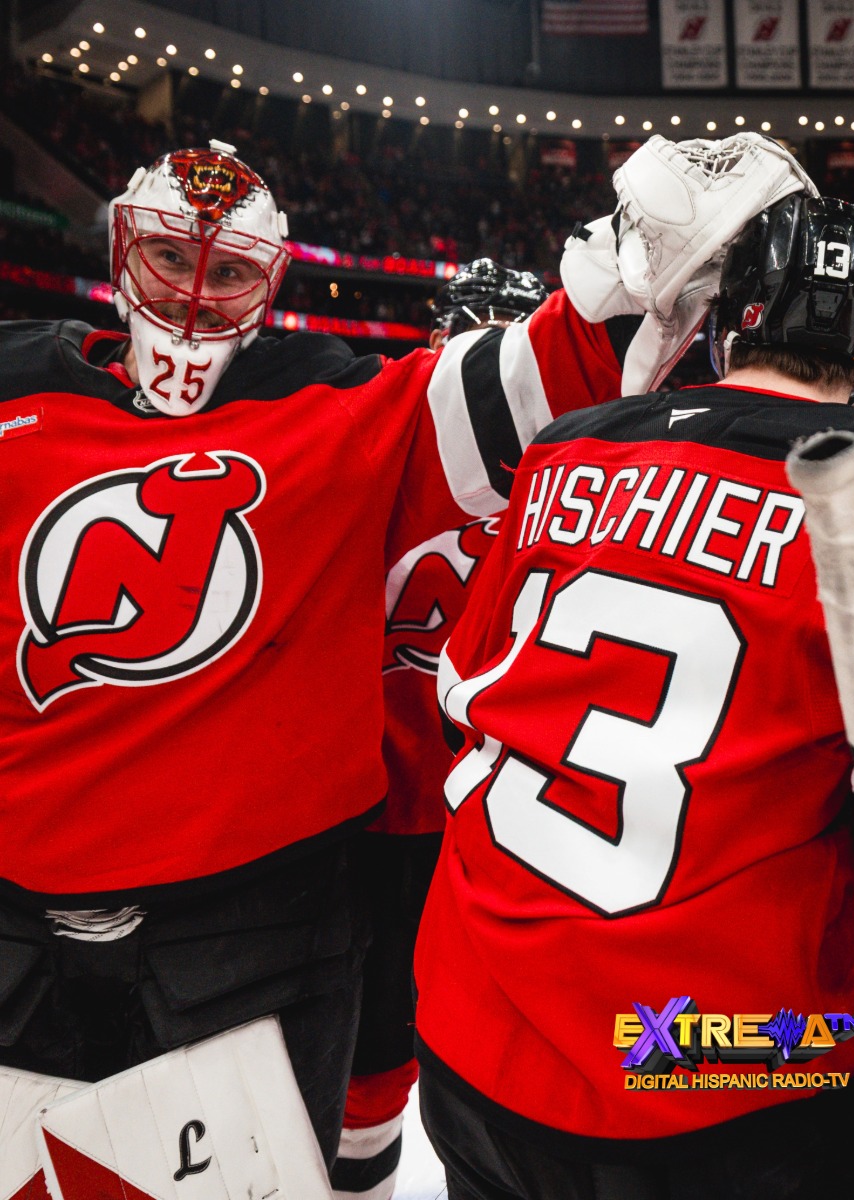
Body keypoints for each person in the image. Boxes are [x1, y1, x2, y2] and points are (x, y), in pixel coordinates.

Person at [0, 136, 686, 1178]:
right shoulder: (14, 388)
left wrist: (635, 261)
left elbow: (549, 369)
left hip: (247, 931)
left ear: (268, 285)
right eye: (173, 259)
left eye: (227, 270)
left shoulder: (346, 409)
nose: (194, 296)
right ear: (123, 250)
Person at [413, 192, 854, 1199]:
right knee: (818, 1050)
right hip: (705, 1059)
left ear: (726, 323)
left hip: (475, 1011)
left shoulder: (566, 447)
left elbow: (463, 685)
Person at [334, 259, 558, 1200]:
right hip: (382, 802)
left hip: (457, 815)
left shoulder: (571, 484)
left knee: (401, 1052)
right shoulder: (367, 440)